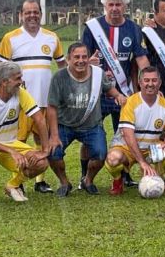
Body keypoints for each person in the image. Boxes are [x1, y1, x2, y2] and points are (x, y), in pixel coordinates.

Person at [82, 0, 150, 187]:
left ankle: (125, 174)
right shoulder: (93, 28)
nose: (114, 9)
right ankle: (84, 176)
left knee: (126, 133)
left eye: (118, 4)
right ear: (104, 6)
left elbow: (141, 58)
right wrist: (89, 63)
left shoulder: (133, 29)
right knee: (89, 134)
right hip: (97, 92)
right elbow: (80, 57)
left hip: (124, 92)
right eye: (110, 5)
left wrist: (147, 82)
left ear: (125, 6)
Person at [0, 0, 66, 193]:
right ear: (21, 15)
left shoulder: (52, 37)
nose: (32, 15)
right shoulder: (11, 38)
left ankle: (39, 181)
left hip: (45, 100)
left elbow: (62, 67)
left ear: (41, 14)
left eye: (35, 12)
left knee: (41, 140)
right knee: (19, 143)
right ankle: (16, 182)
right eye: (28, 12)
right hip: (19, 103)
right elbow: (1, 68)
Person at [46, 43, 126, 197]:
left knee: (101, 154)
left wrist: (118, 95)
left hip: (91, 125)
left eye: (84, 57)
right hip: (65, 125)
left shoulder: (97, 73)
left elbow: (108, 88)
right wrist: (54, 136)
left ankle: (88, 180)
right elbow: (52, 107)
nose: (81, 60)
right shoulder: (59, 77)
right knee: (53, 153)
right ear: (68, 59)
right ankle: (64, 182)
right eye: (76, 57)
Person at [105, 66, 165, 194]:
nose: (150, 84)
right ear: (140, 83)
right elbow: (128, 136)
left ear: (160, 83)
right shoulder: (130, 103)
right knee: (113, 159)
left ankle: (154, 175)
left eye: (154, 80)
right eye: (146, 80)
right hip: (127, 148)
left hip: (150, 150)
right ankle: (118, 179)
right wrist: (142, 162)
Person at [0, 61, 50, 203]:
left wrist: (45, 149)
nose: (21, 82)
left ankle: (12, 186)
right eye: (17, 78)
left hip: (10, 143)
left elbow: (39, 119)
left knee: (41, 162)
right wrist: (11, 151)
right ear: (4, 82)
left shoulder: (20, 93)